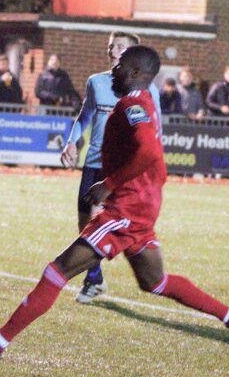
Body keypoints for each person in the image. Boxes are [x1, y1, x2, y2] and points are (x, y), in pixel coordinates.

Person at [0, 45, 229, 364]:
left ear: (137, 73)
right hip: (139, 207)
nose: (114, 70)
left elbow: (151, 154)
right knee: (155, 281)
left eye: (121, 66)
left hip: (126, 209)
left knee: (57, 271)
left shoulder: (134, 105)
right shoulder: (139, 103)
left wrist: (109, 185)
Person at [62, 32, 162, 302]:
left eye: (119, 45)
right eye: (110, 45)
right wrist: (72, 143)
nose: (112, 49)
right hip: (94, 162)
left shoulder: (147, 90)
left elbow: (156, 131)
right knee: (85, 222)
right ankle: (95, 278)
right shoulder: (97, 82)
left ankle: (93, 279)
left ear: (131, 55)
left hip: (120, 169)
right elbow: (84, 117)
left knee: (105, 223)